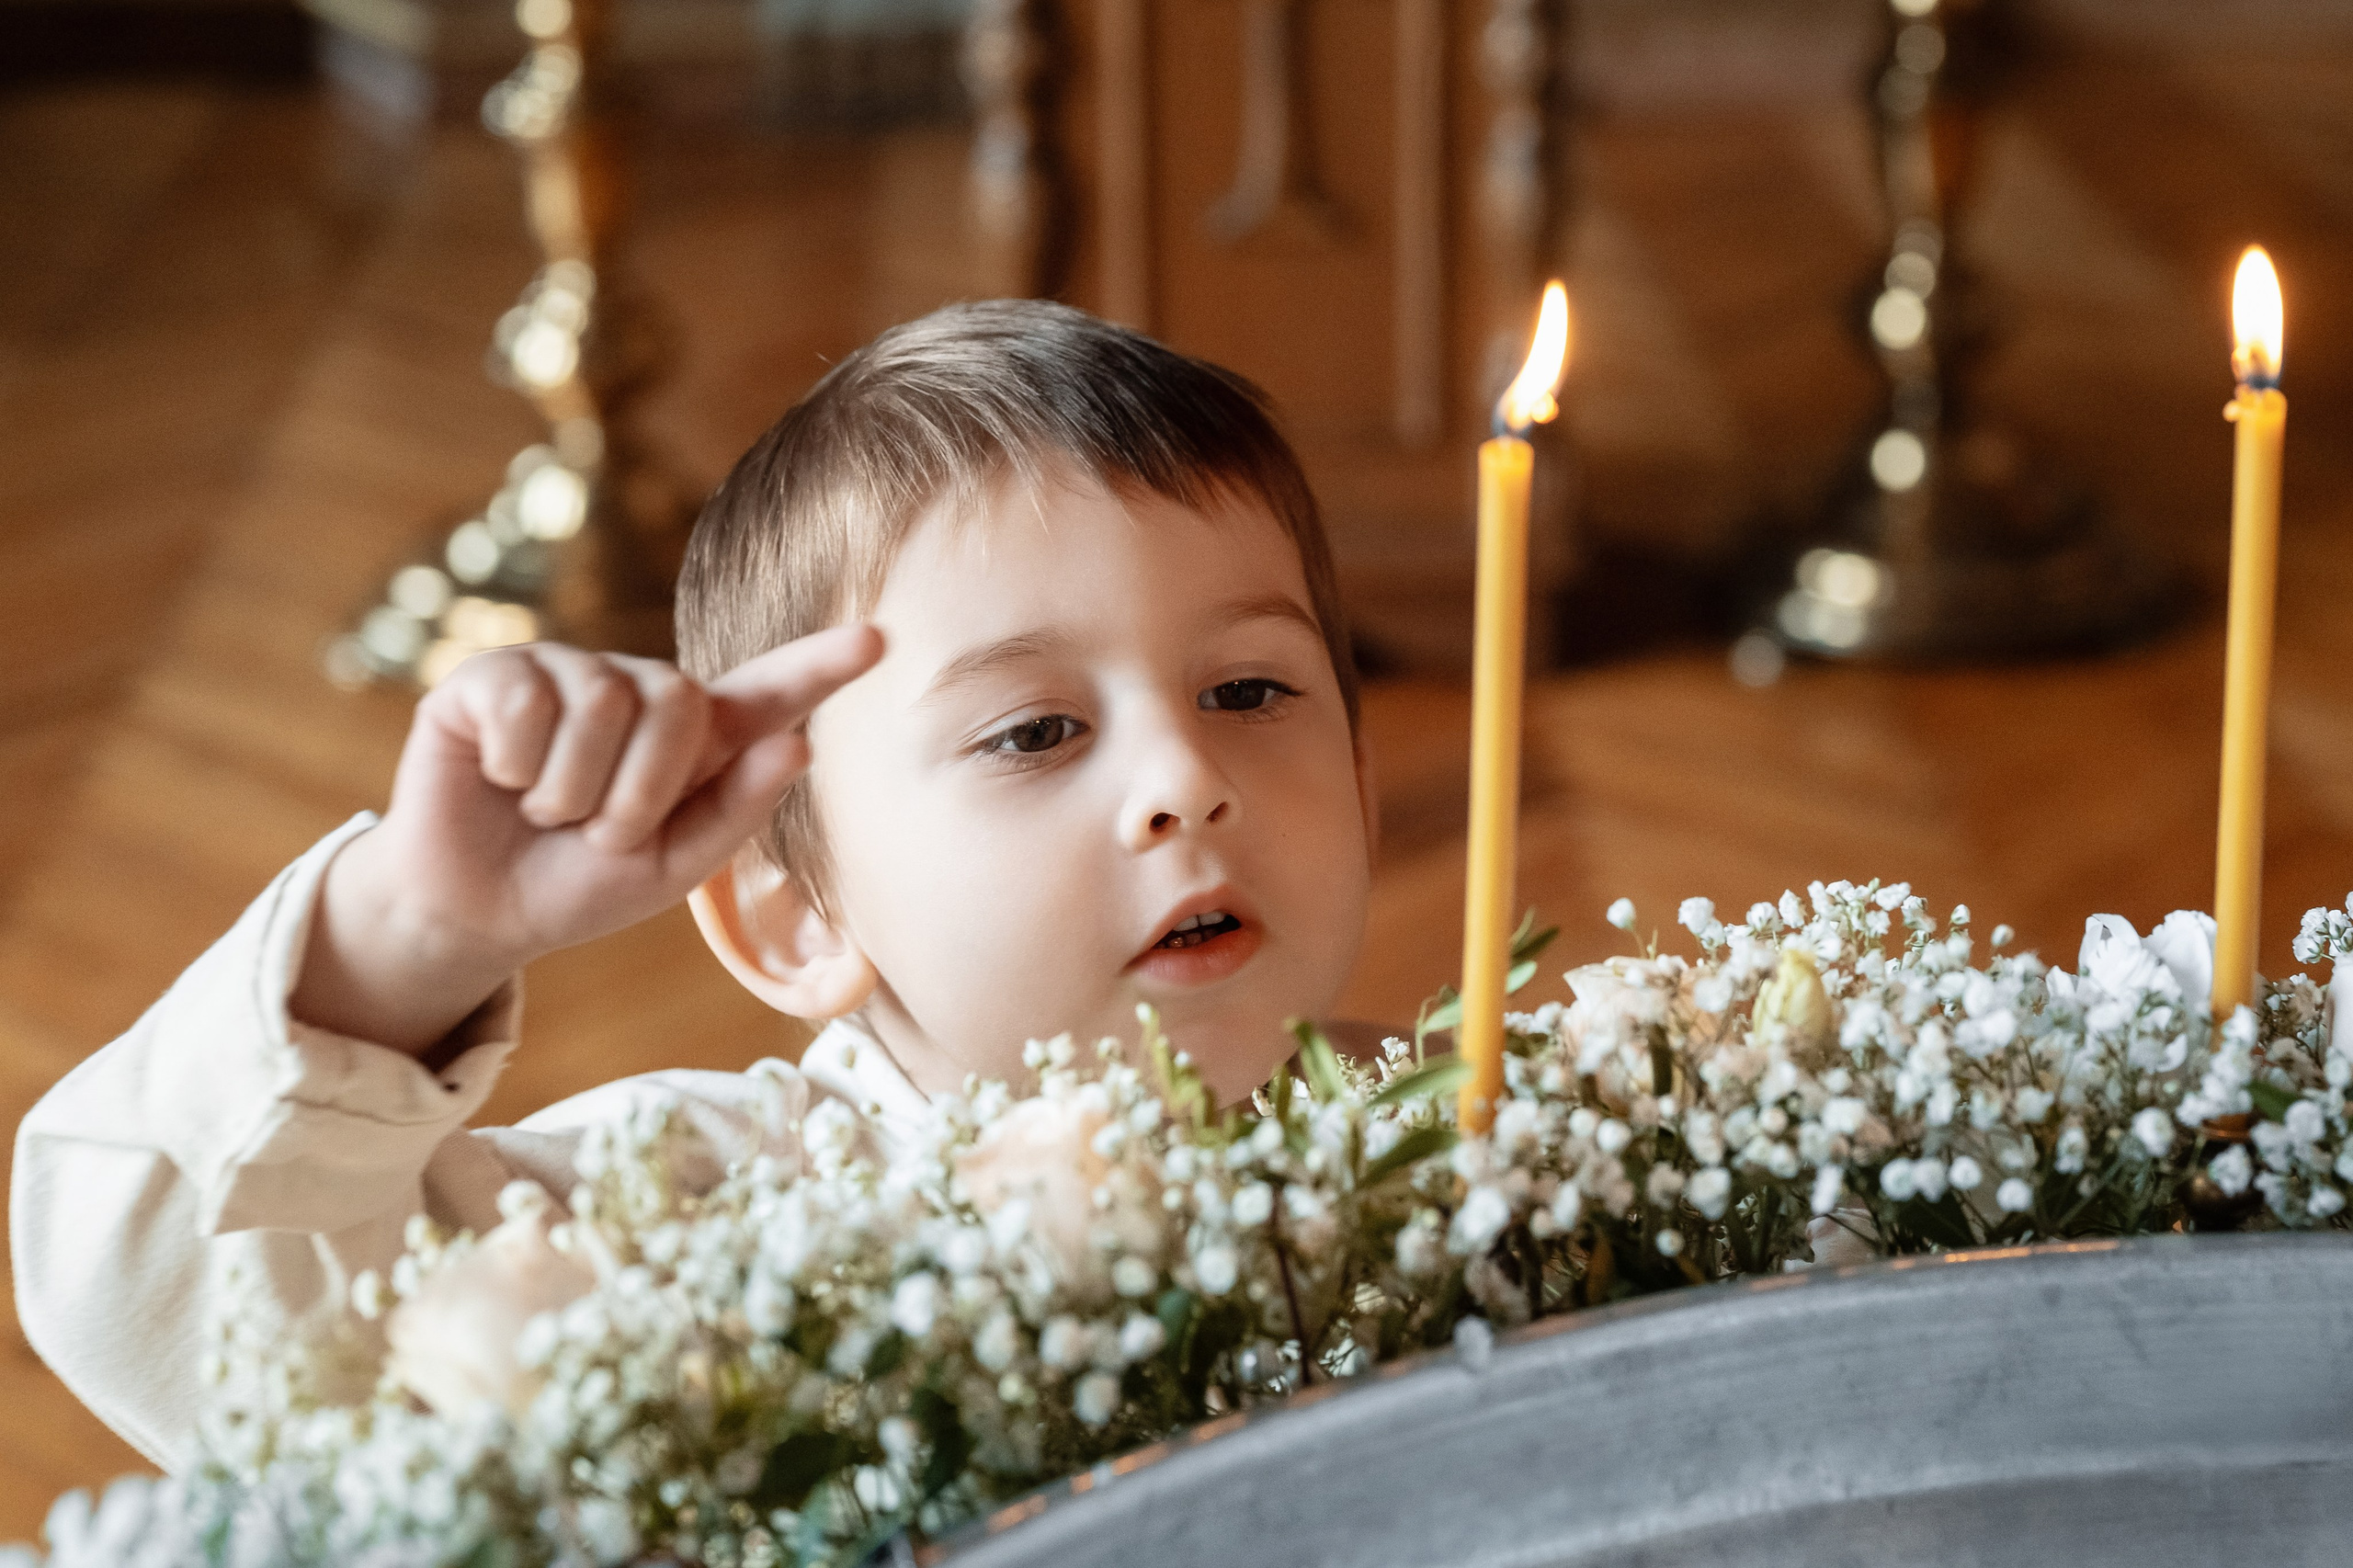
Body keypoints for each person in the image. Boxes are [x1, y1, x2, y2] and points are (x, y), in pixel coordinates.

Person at [10, 299, 1381, 1470]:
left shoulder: (1467, 1118)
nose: (1186, 775)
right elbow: (150, 1283)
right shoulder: (688, 1223)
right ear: (798, 918)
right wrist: (405, 941)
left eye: (1248, 689)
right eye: (1035, 731)